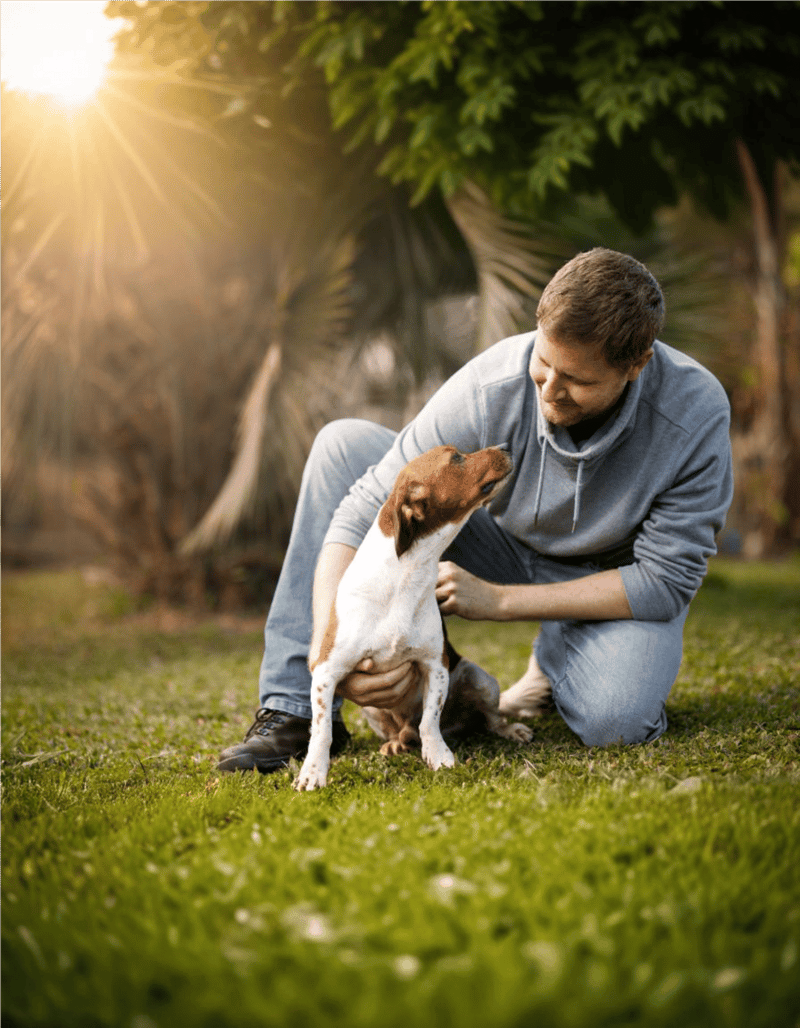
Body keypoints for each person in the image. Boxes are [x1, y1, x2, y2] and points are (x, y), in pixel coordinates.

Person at [218, 248, 733, 773]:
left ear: (636, 364)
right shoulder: (492, 384)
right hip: (498, 541)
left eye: (575, 379)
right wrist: (329, 646)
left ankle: (562, 655)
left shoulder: (694, 414)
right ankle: (291, 708)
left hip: (608, 577)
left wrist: (501, 600)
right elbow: (359, 510)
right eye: (544, 362)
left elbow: (664, 582)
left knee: (616, 722)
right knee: (342, 446)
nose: (550, 391)